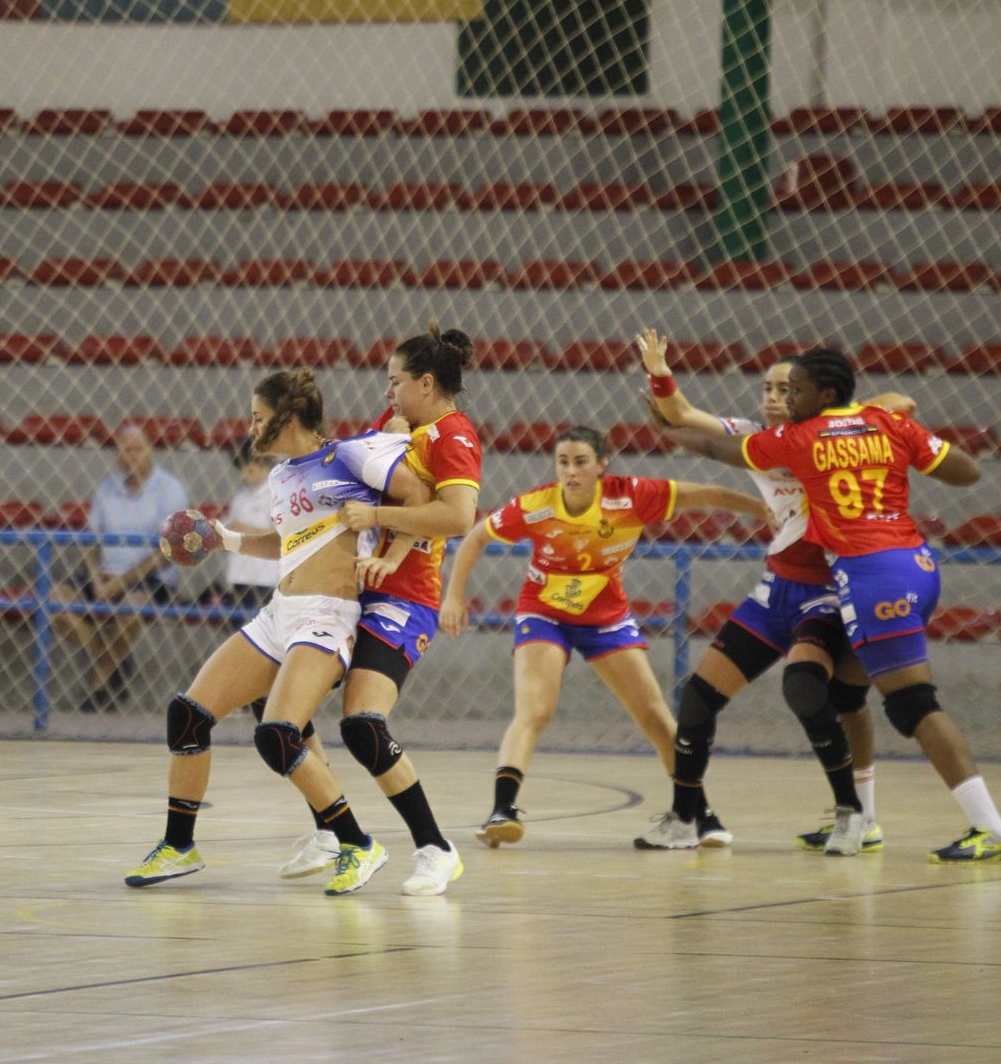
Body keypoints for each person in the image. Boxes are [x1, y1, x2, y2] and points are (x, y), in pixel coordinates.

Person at [660, 348, 1001, 863]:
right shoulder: (886, 422)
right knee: (846, 696)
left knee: (912, 703)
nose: (788, 399)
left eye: (796, 390)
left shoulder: (801, 438)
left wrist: (667, 430)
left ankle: (993, 828)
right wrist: (900, 442)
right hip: (916, 564)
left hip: (873, 578)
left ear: (825, 394)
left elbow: (718, 447)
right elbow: (967, 472)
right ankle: (863, 820)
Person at [124, 369, 431, 896]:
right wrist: (226, 540)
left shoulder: (349, 457)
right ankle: (179, 846)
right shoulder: (282, 475)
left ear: (286, 418)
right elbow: (287, 544)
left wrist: (388, 542)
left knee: (277, 734)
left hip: (326, 617)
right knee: (188, 716)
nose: (250, 428)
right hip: (279, 613)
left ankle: (357, 843)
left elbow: (420, 495)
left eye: (257, 418)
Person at [632, 329, 914, 853]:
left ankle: (851, 815)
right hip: (777, 589)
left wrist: (847, 418)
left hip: (828, 589)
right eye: (768, 387)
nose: (774, 396)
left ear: (814, 393)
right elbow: (683, 413)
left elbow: (902, 399)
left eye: (787, 388)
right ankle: (686, 819)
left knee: (805, 688)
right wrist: (660, 372)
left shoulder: (837, 435)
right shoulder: (755, 436)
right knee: (696, 700)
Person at [440, 426, 770, 847]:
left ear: (601, 465)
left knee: (655, 716)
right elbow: (475, 537)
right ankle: (502, 811)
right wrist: (454, 597)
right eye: (563, 462)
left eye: (580, 462)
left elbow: (709, 494)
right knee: (534, 711)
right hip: (544, 613)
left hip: (605, 617)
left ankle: (699, 813)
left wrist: (763, 510)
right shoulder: (537, 505)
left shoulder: (631, 496)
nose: (571, 471)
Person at [272, 324, 482, 896]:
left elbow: (457, 516)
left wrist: (382, 524)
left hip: (406, 599)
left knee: (363, 725)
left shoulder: (453, 435)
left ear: (426, 383)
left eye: (396, 382)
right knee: (282, 707)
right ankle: (328, 831)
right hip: (354, 591)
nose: (387, 392)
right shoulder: (400, 425)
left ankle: (436, 849)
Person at [51, 424, 188, 713]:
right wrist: (94, 577)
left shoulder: (170, 489)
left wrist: (123, 581)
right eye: (125, 450)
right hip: (105, 575)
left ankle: (99, 683)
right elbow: (90, 540)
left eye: (137, 449)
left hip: (149, 577)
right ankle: (114, 658)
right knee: (53, 601)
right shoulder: (107, 488)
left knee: (131, 607)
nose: (131, 456)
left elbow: (169, 550)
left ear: (150, 451)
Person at [217, 436, 278, 612]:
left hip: (267, 577)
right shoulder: (240, 496)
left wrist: (246, 530)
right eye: (241, 470)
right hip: (240, 575)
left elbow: (282, 536)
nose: (244, 476)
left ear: (264, 465)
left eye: (250, 470)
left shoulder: (277, 494)